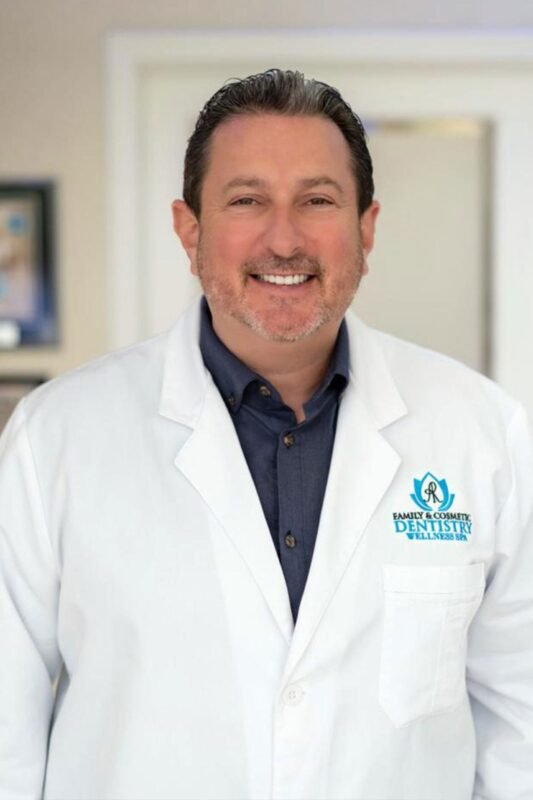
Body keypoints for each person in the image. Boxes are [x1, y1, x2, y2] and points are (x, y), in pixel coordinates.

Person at [0, 68, 532, 800]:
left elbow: (521, 729)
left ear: (366, 228)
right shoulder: (56, 438)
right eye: (246, 200)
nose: (284, 239)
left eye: (317, 200)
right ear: (190, 230)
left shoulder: (481, 433)